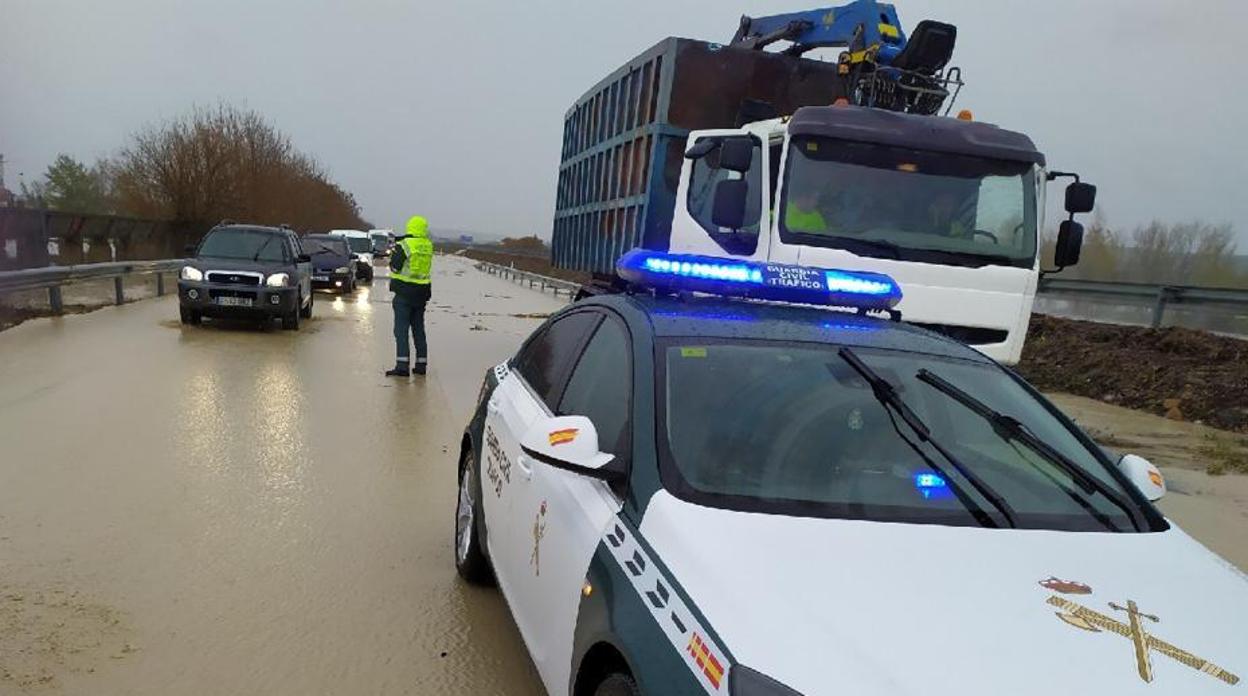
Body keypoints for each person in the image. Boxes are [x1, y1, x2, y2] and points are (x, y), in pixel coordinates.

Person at [386, 215, 433, 376]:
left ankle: (402, 366)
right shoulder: (428, 246)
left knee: (401, 330)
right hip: (421, 294)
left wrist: (393, 252)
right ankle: (421, 365)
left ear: (409, 227)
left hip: (404, 294)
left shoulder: (404, 244)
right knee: (419, 330)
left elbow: (395, 267)